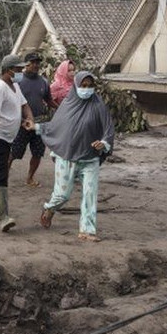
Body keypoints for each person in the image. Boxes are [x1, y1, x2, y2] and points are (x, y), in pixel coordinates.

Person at [37, 72, 115, 242]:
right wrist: (36, 127)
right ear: (76, 86)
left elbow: (108, 128)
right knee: (62, 195)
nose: (86, 89)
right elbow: (55, 127)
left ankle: (87, 230)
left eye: (90, 86)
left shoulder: (98, 105)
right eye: (83, 85)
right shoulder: (68, 104)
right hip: (67, 156)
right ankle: (50, 208)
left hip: (90, 158)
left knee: (90, 194)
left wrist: (103, 143)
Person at [0, 54, 35, 232]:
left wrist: (30, 120)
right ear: (8, 70)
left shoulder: (15, 86)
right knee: (2, 172)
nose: (21, 72)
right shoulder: (0, 87)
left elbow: (24, 105)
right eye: (18, 69)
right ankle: (4, 216)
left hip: (7, 137)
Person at [10, 53, 59, 188]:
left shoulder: (43, 81)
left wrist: (61, 109)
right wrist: (18, 120)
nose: (36, 65)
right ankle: (3, 175)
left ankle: (30, 177)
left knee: (37, 152)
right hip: (22, 124)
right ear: (26, 64)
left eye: (38, 63)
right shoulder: (17, 81)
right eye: (33, 62)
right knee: (14, 152)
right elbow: (11, 101)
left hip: (39, 123)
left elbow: (48, 100)